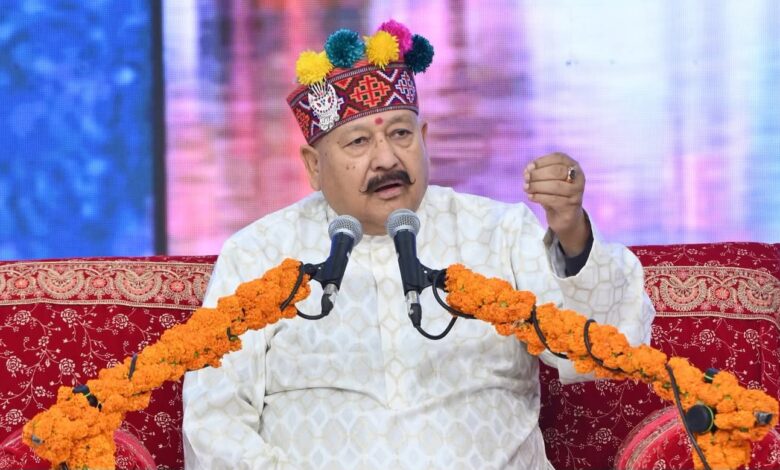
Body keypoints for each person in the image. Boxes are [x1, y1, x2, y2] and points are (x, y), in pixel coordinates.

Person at [182, 20, 655, 470]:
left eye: (401, 134)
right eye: (358, 142)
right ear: (313, 166)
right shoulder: (259, 253)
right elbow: (214, 419)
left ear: (424, 138)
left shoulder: (498, 232)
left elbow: (603, 349)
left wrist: (570, 231)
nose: (387, 158)